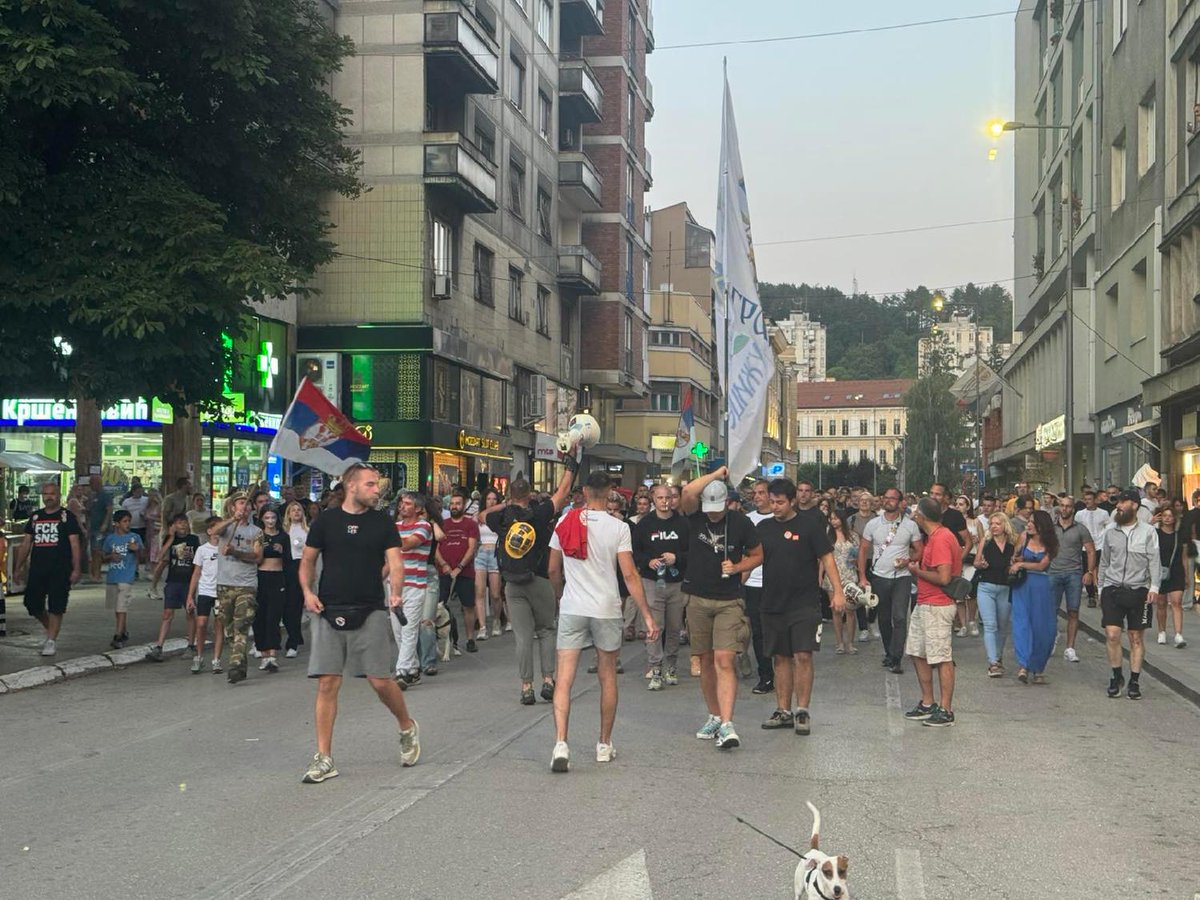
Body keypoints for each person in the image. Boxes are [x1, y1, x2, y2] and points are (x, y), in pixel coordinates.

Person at [298, 463, 419, 783]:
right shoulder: (326, 521)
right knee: (327, 683)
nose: (377, 490)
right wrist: (307, 593)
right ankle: (324, 757)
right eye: (370, 484)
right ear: (351, 486)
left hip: (371, 609)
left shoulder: (382, 523)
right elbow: (307, 561)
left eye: (376, 485)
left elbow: (396, 563)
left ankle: (406, 726)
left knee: (380, 681)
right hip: (328, 608)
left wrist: (395, 593)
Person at [546, 471, 658, 772]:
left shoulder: (563, 522)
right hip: (606, 608)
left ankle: (561, 743)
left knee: (564, 677)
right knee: (607, 676)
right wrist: (647, 614)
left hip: (573, 606)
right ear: (610, 492)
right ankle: (604, 744)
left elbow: (553, 569)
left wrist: (560, 597)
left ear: (583, 491)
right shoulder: (619, 527)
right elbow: (630, 575)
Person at [679, 466, 763, 751]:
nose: (713, 514)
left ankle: (728, 723)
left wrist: (738, 567)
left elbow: (758, 555)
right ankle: (714, 715)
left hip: (729, 599)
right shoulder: (695, 516)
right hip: (697, 597)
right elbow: (688, 491)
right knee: (704, 660)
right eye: (709, 508)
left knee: (724, 659)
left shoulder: (740, 523)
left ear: (728, 503)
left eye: (718, 508)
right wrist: (717, 474)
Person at [758, 478, 844, 736]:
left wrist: (837, 591)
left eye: (780, 502)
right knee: (781, 657)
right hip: (772, 602)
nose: (775, 507)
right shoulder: (763, 528)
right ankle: (783, 710)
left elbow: (827, 558)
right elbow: (751, 559)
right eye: (771, 502)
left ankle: (802, 710)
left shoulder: (809, 526)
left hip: (804, 603)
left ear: (793, 501)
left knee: (803, 655)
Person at [483, 465, 574, 706]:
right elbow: (563, 492)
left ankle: (526, 687)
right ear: (530, 494)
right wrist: (571, 464)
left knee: (523, 637)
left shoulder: (499, 518)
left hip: (513, 583)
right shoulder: (541, 513)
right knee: (545, 631)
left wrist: (507, 504)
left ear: (511, 495)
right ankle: (548, 680)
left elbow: (481, 515)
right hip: (540, 580)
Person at [901, 498, 962, 727]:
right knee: (918, 651)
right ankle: (928, 703)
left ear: (922, 517)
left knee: (942, 656)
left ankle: (946, 710)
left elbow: (944, 577)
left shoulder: (942, 538)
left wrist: (918, 572)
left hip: (938, 604)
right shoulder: (934, 538)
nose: (914, 516)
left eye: (916, 513)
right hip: (926, 602)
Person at [1098, 489, 1162, 699]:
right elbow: (1104, 562)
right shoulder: (1110, 531)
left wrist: (1154, 588)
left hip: (1139, 590)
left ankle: (1134, 681)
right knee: (1112, 634)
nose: (1118, 506)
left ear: (1134, 505)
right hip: (1113, 587)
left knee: (1135, 637)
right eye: (1117, 503)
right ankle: (1116, 676)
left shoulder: (1148, 532)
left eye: (1123, 503)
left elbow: (1154, 561)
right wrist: (1101, 588)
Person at [857, 487, 923, 675]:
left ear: (901, 502)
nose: (888, 501)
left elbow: (919, 550)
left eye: (892, 498)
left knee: (900, 617)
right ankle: (889, 652)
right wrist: (862, 577)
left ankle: (896, 657)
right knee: (884, 618)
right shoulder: (873, 524)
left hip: (901, 578)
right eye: (885, 498)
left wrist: (908, 561)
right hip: (879, 576)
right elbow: (863, 550)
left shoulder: (910, 525)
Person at [12, 481, 83, 656]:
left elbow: (75, 543)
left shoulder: (67, 517)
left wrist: (76, 568)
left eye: (51, 494)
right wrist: (18, 567)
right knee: (32, 603)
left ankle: (51, 640)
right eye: (45, 494)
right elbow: (26, 543)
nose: (48, 497)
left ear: (58, 495)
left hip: (60, 568)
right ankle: (49, 627)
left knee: (56, 605)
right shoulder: (35, 517)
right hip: (38, 568)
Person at [631, 483, 690, 691]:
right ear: (653, 499)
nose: (665, 502)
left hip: (676, 582)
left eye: (668, 498)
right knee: (655, 626)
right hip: (652, 581)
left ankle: (671, 666)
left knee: (674, 626)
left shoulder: (683, 524)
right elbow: (635, 552)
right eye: (660, 498)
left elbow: (692, 553)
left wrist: (678, 558)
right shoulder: (644, 524)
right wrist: (648, 562)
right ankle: (655, 666)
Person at [213, 493, 264, 684]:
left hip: (247, 585)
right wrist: (231, 520)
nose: (245, 507)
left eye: (248, 504)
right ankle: (240, 665)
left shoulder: (257, 531)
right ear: (233, 507)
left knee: (241, 624)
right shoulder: (226, 527)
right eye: (241, 503)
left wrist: (236, 552)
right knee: (229, 629)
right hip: (225, 584)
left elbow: (258, 557)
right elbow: (213, 532)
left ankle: (234, 666)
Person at [1008, 509, 1058, 685]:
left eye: (1032, 522)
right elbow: (1014, 559)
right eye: (1028, 521)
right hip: (1022, 585)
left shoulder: (1051, 543)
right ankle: (1023, 665)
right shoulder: (1023, 537)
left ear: (1041, 525)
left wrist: (1022, 563)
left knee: (1043, 628)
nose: (1028, 524)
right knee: (1022, 624)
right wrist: (1016, 559)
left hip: (1041, 586)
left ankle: (1038, 667)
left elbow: (1042, 566)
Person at [1047, 496, 1096, 663]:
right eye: (1062, 506)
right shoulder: (1051, 528)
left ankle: (1070, 648)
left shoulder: (1081, 529)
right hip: (1053, 572)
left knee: (1073, 611)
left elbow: (1090, 550)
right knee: (1051, 610)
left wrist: (1089, 572)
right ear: (1059, 507)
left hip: (1074, 573)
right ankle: (1051, 637)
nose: (1065, 509)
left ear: (1073, 509)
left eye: (1068, 506)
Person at [146, 513, 200, 661]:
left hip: (188, 581)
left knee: (189, 612)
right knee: (167, 613)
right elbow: (160, 556)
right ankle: (159, 646)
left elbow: (198, 561)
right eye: (178, 523)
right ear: (173, 526)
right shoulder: (171, 540)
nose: (182, 525)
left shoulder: (193, 540)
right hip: (173, 581)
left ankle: (191, 645)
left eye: (184, 522)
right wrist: (170, 537)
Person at [393, 492, 433, 686]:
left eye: (407, 503)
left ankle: (401, 672)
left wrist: (386, 535)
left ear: (418, 508)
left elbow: (407, 545)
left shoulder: (424, 526)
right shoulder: (396, 527)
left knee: (408, 629)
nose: (402, 506)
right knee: (399, 632)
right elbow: (389, 558)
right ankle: (413, 668)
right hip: (395, 587)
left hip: (415, 586)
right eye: (401, 503)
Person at [741, 479, 774, 694]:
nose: (758, 496)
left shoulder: (780, 518)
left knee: (777, 630)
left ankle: (782, 671)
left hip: (777, 582)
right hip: (753, 583)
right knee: (759, 631)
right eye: (755, 493)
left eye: (762, 492)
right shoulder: (748, 520)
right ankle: (766, 675)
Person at [436, 489, 481, 645]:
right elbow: (435, 548)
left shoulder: (470, 524)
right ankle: (445, 642)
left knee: (468, 606)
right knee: (441, 607)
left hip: (465, 572)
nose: (454, 506)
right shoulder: (443, 524)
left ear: (464, 505)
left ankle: (470, 639)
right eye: (452, 504)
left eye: (458, 504)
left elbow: (472, 548)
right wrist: (444, 565)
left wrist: (459, 567)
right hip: (444, 571)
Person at [974, 512, 1015, 677]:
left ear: (1005, 525)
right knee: (990, 625)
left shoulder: (1013, 544)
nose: (994, 526)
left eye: (997, 523)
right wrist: (981, 564)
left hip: (1005, 587)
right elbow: (976, 562)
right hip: (986, 586)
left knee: (1002, 626)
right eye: (991, 524)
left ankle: (998, 657)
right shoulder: (986, 541)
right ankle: (993, 662)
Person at [251, 507, 289, 672]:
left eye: (273, 517)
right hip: (261, 577)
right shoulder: (258, 536)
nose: (270, 521)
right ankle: (263, 653)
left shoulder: (283, 536)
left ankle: (273, 655)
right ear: (262, 519)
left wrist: (283, 551)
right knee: (260, 617)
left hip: (278, 577)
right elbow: (254, 557)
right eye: (267, 517)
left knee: (274, 617)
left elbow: (290, 559)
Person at [186, 516, 224, 673]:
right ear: (209, 531)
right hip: (205, 591)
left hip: (221, 592)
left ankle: (216, 659)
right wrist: (190, 596)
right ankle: (199, 656)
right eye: (216, 528)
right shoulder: (202, 550)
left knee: (219, 625)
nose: (219, 531)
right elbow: (196, 573)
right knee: (201, 623)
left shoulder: (226, 548)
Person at [102, 510, 143, 649]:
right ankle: (123, 631)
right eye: (124, 521)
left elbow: (143, 555)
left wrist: (136, 549)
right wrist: (110, 557)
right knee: (117, 607)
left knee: (122, 607)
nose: (128, 524)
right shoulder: (110, 539)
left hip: (126, 576)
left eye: (128, 521)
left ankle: (118, 635)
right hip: (113, 576)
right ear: (117, 523)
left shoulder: (134, 537)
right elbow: (103, 555)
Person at [1153, 507, 1187, 648]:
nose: (1167, 518)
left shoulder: (1180, 535)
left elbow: (1184, 557)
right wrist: (1151, 522)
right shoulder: (1155, 533)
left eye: (1170, 516)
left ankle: (1178, 635)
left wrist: (1187, 575)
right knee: (1161, 604)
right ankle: (1162, 631)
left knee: (1176, 602)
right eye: (1164, 515)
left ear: (1174, 518)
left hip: (1177, 571)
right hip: (1160, 572)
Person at [474, 488, 505, 638]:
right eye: (488, 499)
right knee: (479, 592)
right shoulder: (479, 516)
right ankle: (482, 627)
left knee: (495, 594)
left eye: (494, 499)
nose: (491, 502)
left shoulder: (500, 516)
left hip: (495, 552)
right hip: (481, 552)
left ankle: (497, 620)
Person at [1076, 489, 1112, 608]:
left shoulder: (1103, 513)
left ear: (1095, 500)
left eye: (1090, 499)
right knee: (1088, 571)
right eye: (1085, 500)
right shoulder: (1080, 514)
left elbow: (1108, 526)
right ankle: (1091, 596)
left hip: (1100, 544)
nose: (1087, 502)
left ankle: (1102, 593)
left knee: (1102, 570)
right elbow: (1077, 528)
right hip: (1085, 546)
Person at [954, 495, 983, 637]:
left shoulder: (975, 522)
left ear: (968, 506)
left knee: (971, 593)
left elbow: (983, 539)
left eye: (962, 504)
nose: (959, 506)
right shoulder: (953, 522)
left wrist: (977, 542)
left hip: (972, 559)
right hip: (958, 559)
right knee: (959, 594)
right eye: (957, 504)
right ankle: (963, 624)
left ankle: (972, 621)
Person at [86, 475, 112, 580]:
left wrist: (105, 524)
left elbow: (109, 510)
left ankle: (97, 574)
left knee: (97, 551)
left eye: (91, 483)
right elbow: (89, 511)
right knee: (93, 551)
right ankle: (94, 573)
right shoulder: (93, 496)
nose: (90, 486)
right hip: (93, 527)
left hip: (100, 528)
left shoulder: (105, 495)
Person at [121, 480, 150, 566]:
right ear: (133, 492)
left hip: (143, 527)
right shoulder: (127, 502)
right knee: (132, 547)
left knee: (143, 548)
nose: (139, 493)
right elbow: (123, 514)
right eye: (137, 492)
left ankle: (144, 563)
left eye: (141, 491)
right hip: (131, 528)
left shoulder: (146, 500)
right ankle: (133, 566)